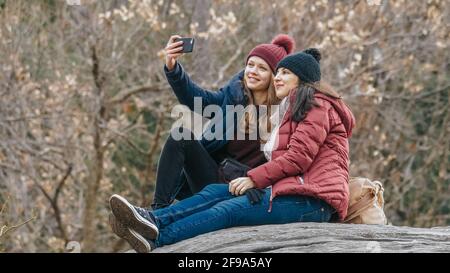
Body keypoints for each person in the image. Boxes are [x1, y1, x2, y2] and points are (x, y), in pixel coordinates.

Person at [109, 48, 355, 253]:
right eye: (278, 71)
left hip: (312, 201)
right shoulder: (254, 101)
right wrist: (174, 68)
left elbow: (297, 159)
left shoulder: (315, 104)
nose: (278, 77)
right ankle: (152, 220)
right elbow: (199, 98)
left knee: (227, 210)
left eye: (284, 72)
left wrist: (254, 179)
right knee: (214, 191)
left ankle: (157, 239)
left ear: (302, 79)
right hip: (279, 189)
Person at [151, 34, 295, 209]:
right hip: (212, 177)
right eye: (250, 65)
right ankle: (158, 211)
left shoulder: (285, 113)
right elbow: (198, 100)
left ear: (275, 77)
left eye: (262, 68)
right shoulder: (233, 96)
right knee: (180, 135)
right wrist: (172, 67)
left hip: (246, 190)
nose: (252, 71)